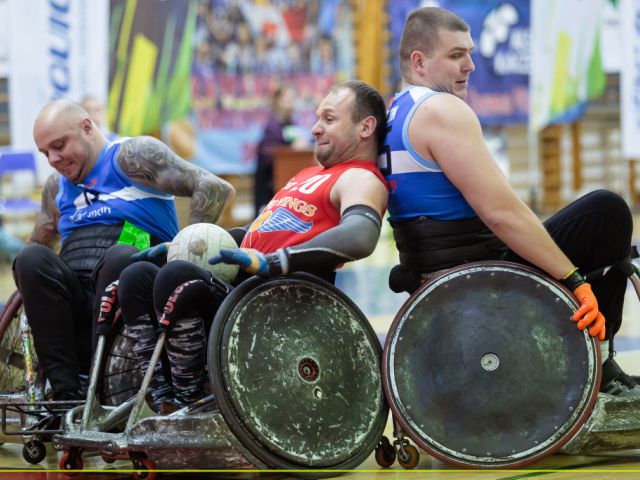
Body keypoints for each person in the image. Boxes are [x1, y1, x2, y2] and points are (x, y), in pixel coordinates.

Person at [382, 6, 638, 396]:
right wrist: (574, 279)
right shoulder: (443, 110)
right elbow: (502, 215)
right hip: (481, 282)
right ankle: (599, 368)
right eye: (455, 55)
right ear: (418, 61)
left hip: (437, 282)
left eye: (469, 52)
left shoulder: (393, 113)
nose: (469, 65)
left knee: (555, 226)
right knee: (607, 212)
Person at [118, 80, 388, 413]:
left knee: (177, 276)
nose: (316, 128)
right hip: (242, 293)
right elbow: (256, 232)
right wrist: (185, 244)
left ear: (366, 126)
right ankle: (161, 394)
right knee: (137, 276)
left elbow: (361, 235)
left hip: (276, 304)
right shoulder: (307, 174)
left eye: (329, 119)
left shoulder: (360, 178)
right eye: (318, 118)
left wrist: (275, 261)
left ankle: (192, 398)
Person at [12, 99, 234, 401]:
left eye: (59, 145)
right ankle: (66, 398)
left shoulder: (132, 156)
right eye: (45, 152)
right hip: (76, 302)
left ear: (87, 127)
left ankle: (101, 390)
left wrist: (186, 248)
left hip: (131, 293)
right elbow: (37, 245)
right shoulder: (56, 186)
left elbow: (214, 187)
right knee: (29, 259)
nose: (53, 158)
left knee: (121, 256)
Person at [253, 85, 296, 217]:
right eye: (286, 98)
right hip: (269, 182)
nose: (290, 102)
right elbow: (269, 153)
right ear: (278, 100)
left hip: (287, 178)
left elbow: (294, 141)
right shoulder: (272, 125)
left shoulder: (291, 123)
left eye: (292, 98)